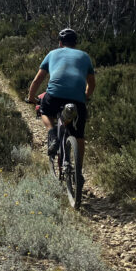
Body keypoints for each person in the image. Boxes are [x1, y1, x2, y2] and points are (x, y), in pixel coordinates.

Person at [27, 27, 95, 173]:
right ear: (75, 43)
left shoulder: (52, 54)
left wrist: (31, 98)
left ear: (60, 43)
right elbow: (92, 84)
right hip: (78, 100)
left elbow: (38, 79)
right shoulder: (85, 56)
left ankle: (52, 134)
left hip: (54, 96)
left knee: (44, 110)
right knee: (79, 136)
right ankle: (78, 170)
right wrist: (85, 97)